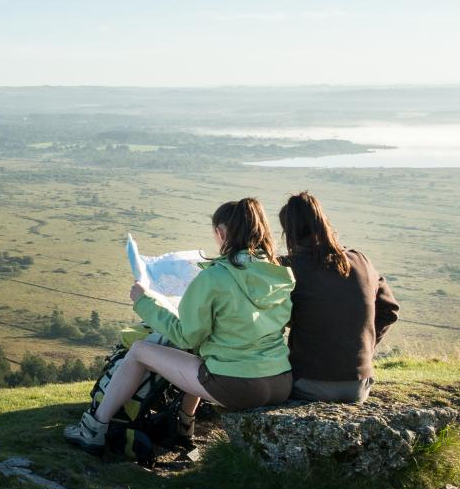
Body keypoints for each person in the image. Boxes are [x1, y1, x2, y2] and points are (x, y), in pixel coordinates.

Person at [64, 197, 295, 452]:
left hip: (237, 385)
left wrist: (145, 302)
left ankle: (92, 429)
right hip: (280, 381)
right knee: (203, 355)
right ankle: (185, 427)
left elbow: (186, 337)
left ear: (220, 232)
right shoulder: (277, 273)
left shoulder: (215, 277)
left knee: (140, 350)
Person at [278, 191, 399, 403]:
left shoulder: (287, 266)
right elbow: (389, 311)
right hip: (358, 385)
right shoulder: (361, 261)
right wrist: (366, 346)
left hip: (306, 382)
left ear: (289, 231)